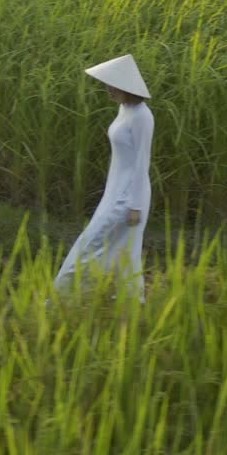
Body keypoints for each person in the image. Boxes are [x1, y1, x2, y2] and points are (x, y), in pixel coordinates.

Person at [52, 54, 154, 303]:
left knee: (90, 243)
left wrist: (136, 205)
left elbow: (142, 161)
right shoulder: (125, 109)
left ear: (125, 86)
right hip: (115, 191)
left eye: (111, 85)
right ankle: (129, 301)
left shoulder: (142, 116)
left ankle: (61, 298)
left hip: (129, 197)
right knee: (124, 250)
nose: (107, 89)